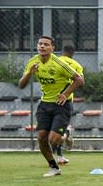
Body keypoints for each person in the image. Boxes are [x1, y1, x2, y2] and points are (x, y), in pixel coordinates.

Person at [18, 36, 85, 177]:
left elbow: (80, 80)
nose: (42, 46)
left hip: (61, 105)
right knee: (41, 137)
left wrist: (65, 94)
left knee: (53, 139)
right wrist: (29, 73)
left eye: (46, 44)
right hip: (44, 104)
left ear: (52, 48)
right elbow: (21, 85)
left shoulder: (59, 63)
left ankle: (66, 134)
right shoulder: (32, 62)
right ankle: (54, 167)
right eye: (40, 44)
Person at [50, 43, 82, 164]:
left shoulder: (55, 61)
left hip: (50, 99)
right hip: (66, 100)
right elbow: (80, 81)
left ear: (62, 51)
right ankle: (66, 133)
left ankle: (59, 154)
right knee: (58, 130)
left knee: (54, 130)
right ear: (73, 54)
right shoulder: (76, 65)